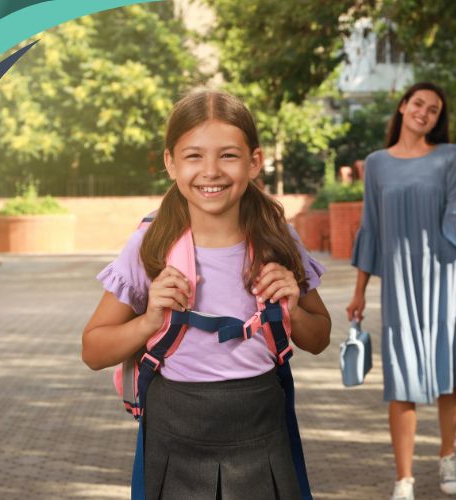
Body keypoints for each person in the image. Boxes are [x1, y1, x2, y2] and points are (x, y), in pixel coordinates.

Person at [81, 89, 331, 499]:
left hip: (261, 427)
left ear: (254, 162)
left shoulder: (276, 239)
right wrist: (148, 321)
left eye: (228, 155)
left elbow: (319, 339)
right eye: (194, 155)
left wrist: (295, 310)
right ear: (171, 163)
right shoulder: (150, 244)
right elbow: (92, 350)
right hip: (174, 432)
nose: (210, 171)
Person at [346, 82, 456, 499]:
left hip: (448, 278)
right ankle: (404, 478)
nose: (424, 112)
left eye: (433, 109)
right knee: (401, 378)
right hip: (400, 283)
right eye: (418, 103)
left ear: (437, 118)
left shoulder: (448, 157)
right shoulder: (376, 163)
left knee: (449, 377)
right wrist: (359, 292)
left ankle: (448, 457)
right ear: (403, 106)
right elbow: (370, 228)